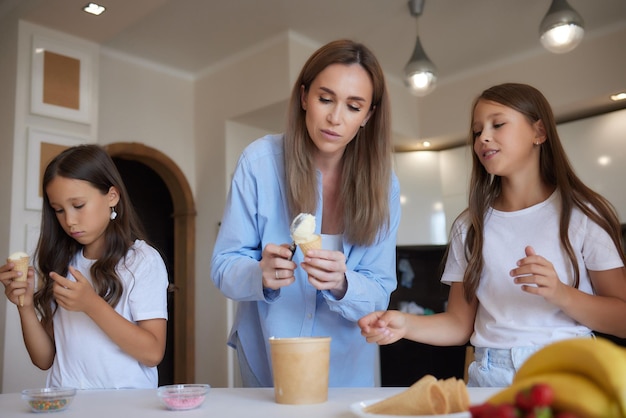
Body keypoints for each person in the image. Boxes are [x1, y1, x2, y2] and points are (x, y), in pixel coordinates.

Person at [359, 83, 626, 387]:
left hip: (569, 372)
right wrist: (404, 323)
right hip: (489, 377)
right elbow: (459, 325)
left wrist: (560, 293)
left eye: (498, 124)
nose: (483, 137)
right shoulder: (469, 226)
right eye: (477, 131)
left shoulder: (583, 214)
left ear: (539, 132)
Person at [211, 39, 401, 387]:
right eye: (325, 99)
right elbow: (223, 265)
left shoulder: (383, 185)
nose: (335, 117)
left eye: (353, 106)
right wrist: (260, 274)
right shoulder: (259, 163)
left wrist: (344, 284)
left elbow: (380, 290)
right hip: (267, 359)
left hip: (345, 367)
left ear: (368, 116)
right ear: (304, 98)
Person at [0, 144, 169, 389]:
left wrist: (91, 305)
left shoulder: (142, 261)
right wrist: (24, 307)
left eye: (78, 205)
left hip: (125, 407)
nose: (69, 220)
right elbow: (44, 359)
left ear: (112, 196)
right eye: (58, 210)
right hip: (67, 404)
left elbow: (152, 352)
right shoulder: (62, 263)